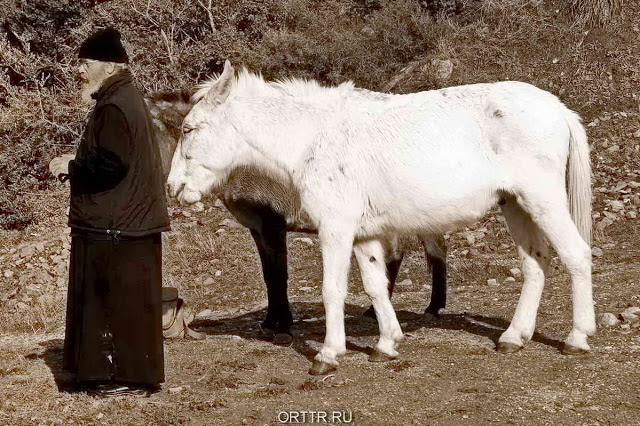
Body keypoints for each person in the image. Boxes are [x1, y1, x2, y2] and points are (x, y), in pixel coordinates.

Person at [49, 27, 170, 397]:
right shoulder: (122, 98)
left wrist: (72, 165)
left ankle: (126, 378)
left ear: (108, 66)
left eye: (85, 64)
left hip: (117, 223)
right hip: (121, 221)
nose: (79, 71)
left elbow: (111, 164)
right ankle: (102, 372)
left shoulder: (116, 105)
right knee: (116, 302)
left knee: (115, 303)